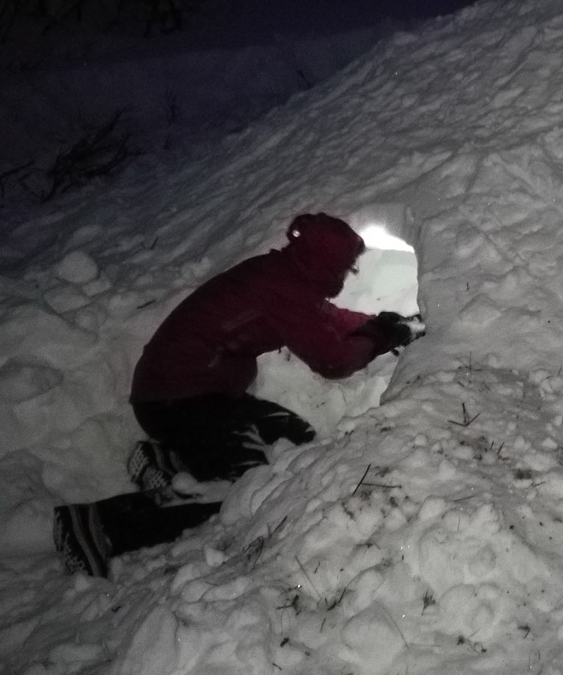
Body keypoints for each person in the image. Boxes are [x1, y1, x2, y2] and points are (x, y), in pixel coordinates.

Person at [53, 212, 425, 577]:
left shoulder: (286, 274)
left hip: (197, 394)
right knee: (246, 489)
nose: (348, 275)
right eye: (347, 267)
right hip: (178, 400)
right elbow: (333, 361)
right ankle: (94, 527)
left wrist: (376, 324)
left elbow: (321, 316)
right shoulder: (283, 288)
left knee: (296, 442)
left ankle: (169, 462)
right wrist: (378, 338)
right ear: (327, 264)